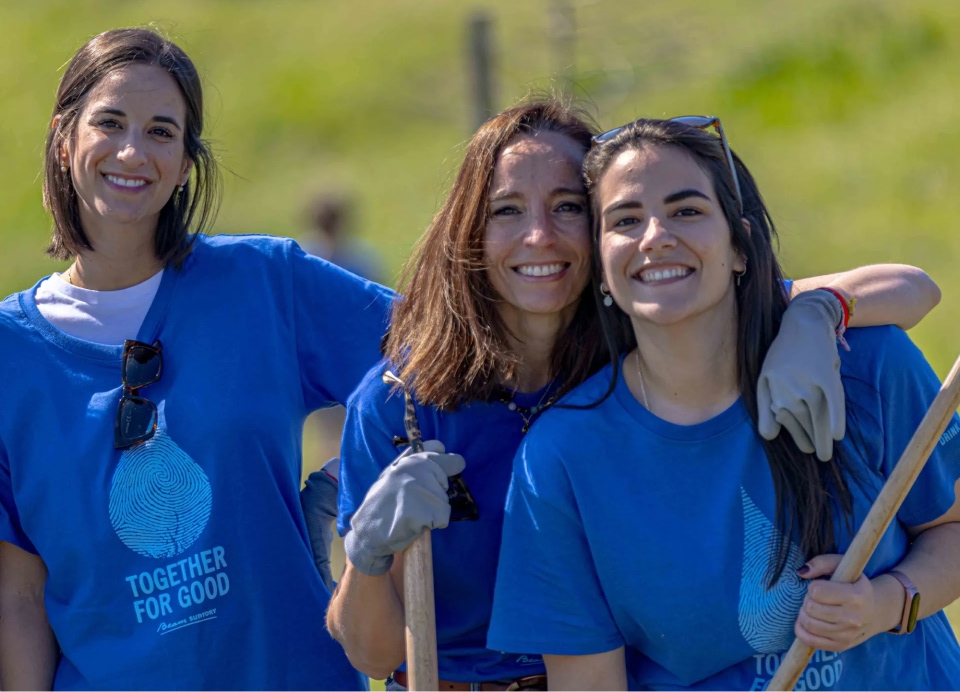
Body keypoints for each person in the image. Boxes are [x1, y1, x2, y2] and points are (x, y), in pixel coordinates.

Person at [321, 100, 942, 690]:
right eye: (506, 210)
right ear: (467, 232)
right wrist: (369, 550)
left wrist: (816, 313)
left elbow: (909, 286)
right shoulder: (405, 401)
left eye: (566, 206)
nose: (538, 235)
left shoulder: (672, 312)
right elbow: (373, 652)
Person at [486, 116, 960, 690]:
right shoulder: (560, 457)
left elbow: (950, 530)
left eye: (687, 211)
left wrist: (887, 603)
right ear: (604, 273)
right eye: (626, 220)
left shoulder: (864, 361)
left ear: (739, 247)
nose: (656, 236)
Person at [0, 28, 394, 690]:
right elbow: (17, 596)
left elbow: (442, 354)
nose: (133, 150)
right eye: (111, 122)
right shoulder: (10, 354)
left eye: (161, 131)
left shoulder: (268, 283)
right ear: (64, 138)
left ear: (185, 162)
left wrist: (355, 486)